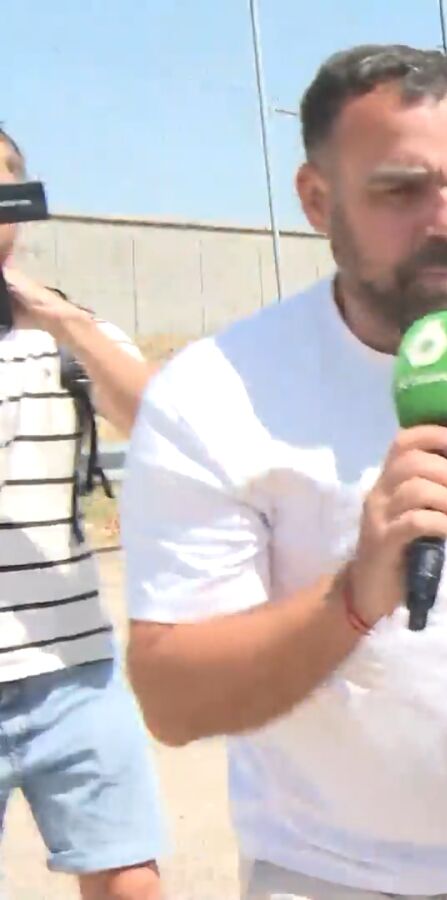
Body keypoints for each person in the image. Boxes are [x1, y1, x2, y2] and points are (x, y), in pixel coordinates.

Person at [118, 45, 447, 898]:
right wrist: (353, 595)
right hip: (326, 875)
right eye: (401, 190)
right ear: (317, 201)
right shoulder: (215, 396)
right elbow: (173, 700)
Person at [0, 126, 165, 900]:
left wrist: (61, 321)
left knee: (132, 881)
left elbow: (165, 425)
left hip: (73, 671)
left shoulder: (69, 332)